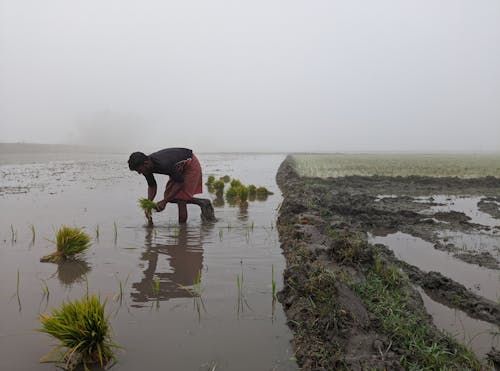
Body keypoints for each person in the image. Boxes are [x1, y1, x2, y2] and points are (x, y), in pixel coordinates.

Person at [128, 147, 215, 223]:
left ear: (146, 163)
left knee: (181, 199)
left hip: (190, 163)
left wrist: (164, 201)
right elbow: (152, 185)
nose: (139, 173)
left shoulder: (164, 163)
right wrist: (148, 204)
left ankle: (182, 233)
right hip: (177, 167)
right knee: (171, 197)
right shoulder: (146, 167)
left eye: (139, 170)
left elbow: (180, 182)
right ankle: (203, 202)